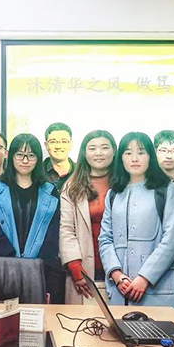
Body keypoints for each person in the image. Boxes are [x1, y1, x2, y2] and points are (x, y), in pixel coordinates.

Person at [98, 132, 174, 308]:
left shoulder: (167, 189)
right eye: (128, 153)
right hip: (121, 290)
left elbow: (171, 240)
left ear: (150, 156)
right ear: (121, 158)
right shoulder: (114, 194)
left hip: (158, 289)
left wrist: (145, 277)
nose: (134, 158)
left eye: (141, 152)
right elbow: (105, 239)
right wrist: (116, 275)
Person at [0, 133, 65, 304]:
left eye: (31, 155)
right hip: (4, 272)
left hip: (44, 273)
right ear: (11, 157)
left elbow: (53, 236)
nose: (25, 160)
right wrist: (16, 266)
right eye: (20, 155)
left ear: (38, 159)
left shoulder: (50, 192)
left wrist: (35, 267)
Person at [59, 130, 117, 304]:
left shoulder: (124, 184)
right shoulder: (72, 186)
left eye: (104, 147)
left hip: (121, 267)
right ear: (84, 153)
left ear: (114, 151)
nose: (99, 153)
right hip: (84, 269)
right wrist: (75, 268)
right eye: (92, 148)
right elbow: (66, 230)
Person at [43, 122, 75, 190]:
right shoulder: (37, 173)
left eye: (64, 141)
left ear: (71, 144)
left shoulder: (81, 172)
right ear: (46, 145)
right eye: (53, 142)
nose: (58, 146)